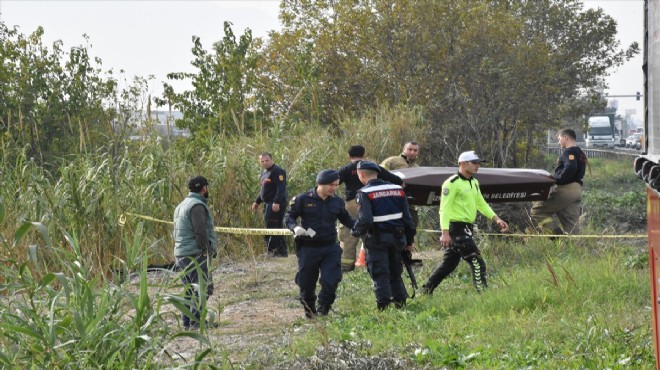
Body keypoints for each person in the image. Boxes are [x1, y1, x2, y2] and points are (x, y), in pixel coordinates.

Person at [421, 151, 509, 295]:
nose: (477, 166)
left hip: (467, 228)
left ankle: (426, 291)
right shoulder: (451, 183)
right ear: (463, 164)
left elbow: (481, 203)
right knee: (477, 262)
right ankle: (483, 294)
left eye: (478, 163)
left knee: (449, 265)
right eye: (474, 163)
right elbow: (444, 209)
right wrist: (445, 232)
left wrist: (496, 219)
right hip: (456, 228)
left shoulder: (474, 182)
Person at [284, 169, 356, 318]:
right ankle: (310, 312)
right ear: (320, 183)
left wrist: (365, 227)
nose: (334, 188)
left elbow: (346, 220)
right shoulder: (303, 199)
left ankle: (324, 309)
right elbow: (289, 217)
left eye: (336, 185)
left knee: (331, 280)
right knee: (306, 283)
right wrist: (294, 227)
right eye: (331, 185)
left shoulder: (337, 201)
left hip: (330, 247)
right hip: (308, 248)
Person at [350, 161, 416, 310]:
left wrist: (355, 231)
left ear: (361, 174)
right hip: (398, 238)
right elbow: (408, 219)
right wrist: (409, 240)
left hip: (377, 239)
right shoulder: (398, 189)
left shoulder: (364, 193)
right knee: (395, 271)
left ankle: (383, 307)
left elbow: (365, 219)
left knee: (380, 273)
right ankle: (401, 304)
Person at [337, 145, 404, 272]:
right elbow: (397, 180)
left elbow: (332, 182)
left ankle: (346, 266)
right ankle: (374, 262)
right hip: (373, 201)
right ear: (364, 154)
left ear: (349, 156)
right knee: (371, 232)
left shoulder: (346, 169)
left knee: (348, 234)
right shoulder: (373, 167)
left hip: (352, 203)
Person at [173, 175, 218, 330]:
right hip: (194, 253)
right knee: (203, 287)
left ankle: (187, 321)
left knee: (190, 289)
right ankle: (196, 322)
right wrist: (207, 250)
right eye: (207, 187)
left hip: (181, 252)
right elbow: (200, 231)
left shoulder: (181, 205)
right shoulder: (197, 205)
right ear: (204, 188)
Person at [530, 129, 587, 235]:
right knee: (572, 225)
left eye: (559, 138)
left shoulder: (568, 151)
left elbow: (571, 167)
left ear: (566, 137)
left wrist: (557, 179)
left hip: (565, 190)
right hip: (577, 191)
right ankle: (576, 247)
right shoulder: (580, 153)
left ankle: (557, 238)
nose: (558, 142)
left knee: (537, 211)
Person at [252, 152, 288, 257]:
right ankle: (279, 251)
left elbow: (281, 188)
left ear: (271, 160)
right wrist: (257, 201)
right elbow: (264, 190)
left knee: (273, 226)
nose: (265, 163)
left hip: (275, 204)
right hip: (268, 203)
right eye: (262, 161)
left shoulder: (278, 171)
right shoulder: (264, 172)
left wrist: (276, 202)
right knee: (272, 226)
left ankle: (274, 251)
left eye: (267, 160)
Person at [380, 141, 421, 226]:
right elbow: (379, 173)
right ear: (404, 149)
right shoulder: (393, 160)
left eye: (415, 150)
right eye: (410, 149)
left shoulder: (418, 168)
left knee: (412, 226)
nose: (412, 152)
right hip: (391, 200)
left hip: (410, 204)